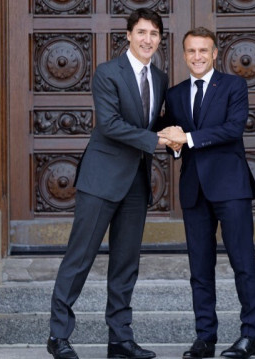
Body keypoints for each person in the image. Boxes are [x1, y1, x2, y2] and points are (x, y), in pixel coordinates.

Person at [47, 8, 169, 359]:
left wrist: (177, 135)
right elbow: (111, 125)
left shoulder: (159, 78)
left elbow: (156, 120)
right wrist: (158, 140)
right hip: (100, 179)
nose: (148, 39)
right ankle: (58, 336)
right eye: (142, 32)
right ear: (128, 35)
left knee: (125, 263)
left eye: (155, 34)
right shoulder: (107, 73)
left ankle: (120, 339)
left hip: (136, 182)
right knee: (79, 258)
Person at [158, 27, 255, 359]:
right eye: (191, 51)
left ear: (215, 53)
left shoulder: (234, 86)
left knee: (242, 263)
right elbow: (173, 142)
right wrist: (174, 146)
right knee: (199, 268)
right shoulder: (174, 94)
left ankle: (250, 336)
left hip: (231, 187)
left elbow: (233, 129)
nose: (198, 57)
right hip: (194, 190)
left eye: (204, 51)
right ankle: (205, 337)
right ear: (184, 55)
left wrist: (187, 138)